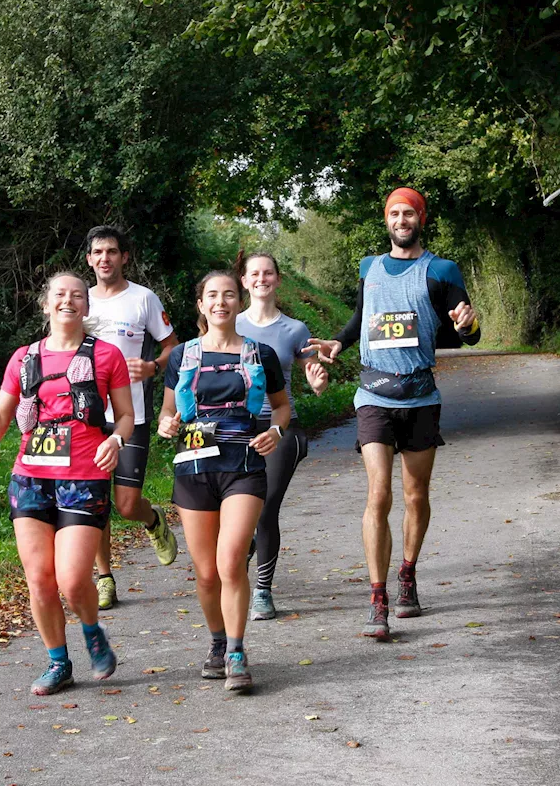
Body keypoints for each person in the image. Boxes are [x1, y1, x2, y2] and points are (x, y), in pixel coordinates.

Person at [304, 187, 481, 640]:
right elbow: (363, 316)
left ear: (421, 218)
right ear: (386, 220)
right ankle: (377, 596)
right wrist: (338, 342)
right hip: (374, 396)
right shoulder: (369, 267)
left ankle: (407, 573)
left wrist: (468, 323)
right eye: (394, 214)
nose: (401, 220)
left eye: (409, 213)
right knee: (378, 494)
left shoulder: (441, 269)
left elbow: (465, 334)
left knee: (415, 495)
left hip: (420, 397)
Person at [0, 272, 134, 695]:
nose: (68, 301)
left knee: (70, 578)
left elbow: (126, 417)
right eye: (60, 295)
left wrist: (117, 439)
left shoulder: (107, 356)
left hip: (85, 476)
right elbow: (1, 412)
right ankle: (58, 662)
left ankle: (91, 628)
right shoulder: (24, 357)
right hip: (30, 478)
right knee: (39, 580)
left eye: (77, 295)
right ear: (46, 305)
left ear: (86, 306)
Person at [155, 270, 290, 691]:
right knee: (206, 571)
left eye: (228, 295)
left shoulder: (260, 353)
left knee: (230, 560)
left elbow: (281, 407)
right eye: (212, 296)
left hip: (244, 465)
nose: (220, 302)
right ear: (201, 304)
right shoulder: (182, 356)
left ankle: (235, 651)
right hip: (194, 468)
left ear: (239, 300)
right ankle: (216, 642)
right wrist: (166, 426)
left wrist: (276, 431)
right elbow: (167, 414)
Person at [84, 225, 180, 610]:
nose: (105, 258)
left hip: (131, 415)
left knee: (125, 504)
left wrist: (153, 367)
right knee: (95, 503)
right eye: (98, 252)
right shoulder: (80, 300)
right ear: (89, 259)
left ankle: (153, 519)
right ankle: (104, 578)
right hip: (87, 416)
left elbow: (172, 346)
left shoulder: (143, 299)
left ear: (124, 257)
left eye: (112, 251)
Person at [235, 251, 328, 620]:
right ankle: (249, 545)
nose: (261, 279)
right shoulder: (228, 323)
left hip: (279, 425)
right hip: (234, 427)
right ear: (244, 281)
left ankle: (262, 591)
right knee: (240, 506)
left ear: (278, 279)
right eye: (254, 274)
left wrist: (316, 379)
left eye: (268, 273)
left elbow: (311, 368)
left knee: (265, 504)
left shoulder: (295, 329)